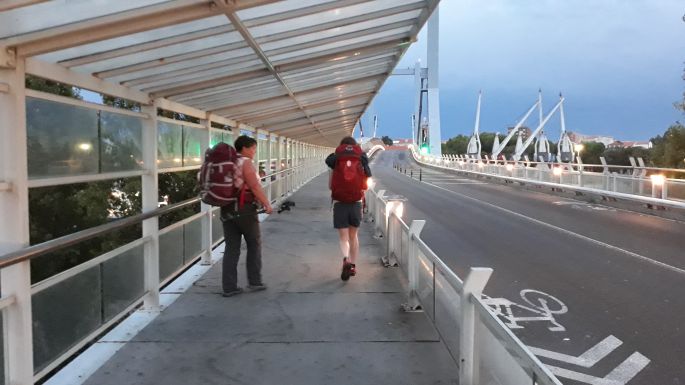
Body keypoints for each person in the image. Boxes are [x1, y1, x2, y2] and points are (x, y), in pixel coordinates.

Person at [221, 135, 273, 297]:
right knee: (254, 244)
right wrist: (267, 204)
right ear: (244, 148)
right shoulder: (245, 162)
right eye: (253, 149)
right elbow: (255, 186)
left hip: (226, 208)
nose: (253, 152)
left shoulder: (227, 163)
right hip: (244, 209)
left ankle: (229, 287)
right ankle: (255, 281)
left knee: (231, 248)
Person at [325, 136, 372, 281]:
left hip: (340, 202)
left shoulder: (336, 160)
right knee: (354, 236)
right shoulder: (360, 158)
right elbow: (366, 184)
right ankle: (353, 264)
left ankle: (345, 258)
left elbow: (330, 185)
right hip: (356, 202)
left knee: (343, 237)